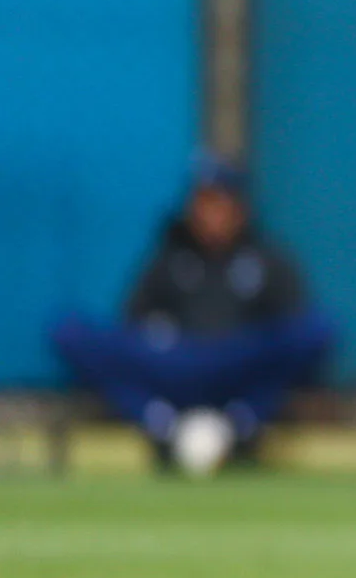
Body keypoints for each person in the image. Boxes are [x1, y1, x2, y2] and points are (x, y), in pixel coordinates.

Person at [49, 153, 334, 470]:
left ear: (239, 209)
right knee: (70, 331)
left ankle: (238, 425)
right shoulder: (170, 256)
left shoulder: (265, 258)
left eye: (220, 203)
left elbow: (294, 322)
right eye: (203, 202)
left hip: (238, 361)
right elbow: (133, 317)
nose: (211, 214)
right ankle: (163, 425)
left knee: (317, 330)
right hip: (176, 362)